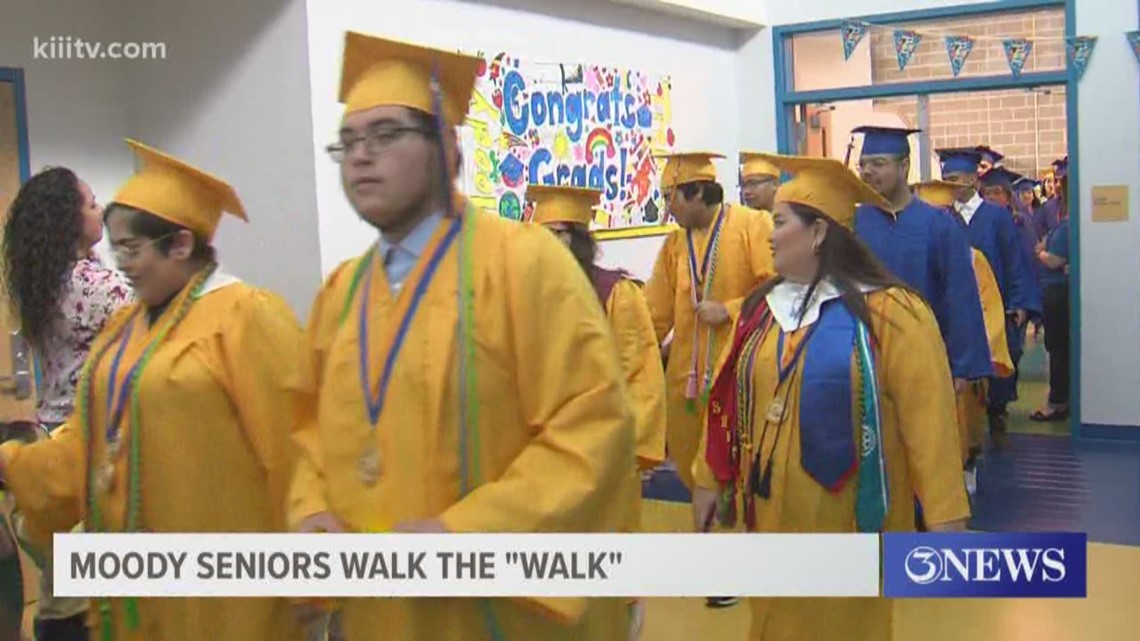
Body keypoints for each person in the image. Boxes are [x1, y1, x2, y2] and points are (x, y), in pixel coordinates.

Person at [288, 32, 637, 641]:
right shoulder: (341, 293)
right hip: (379, 613)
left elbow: (592, 425)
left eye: (387, 134)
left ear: (448, 148)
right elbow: (305, 426)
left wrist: (463, 536)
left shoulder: (523, 263)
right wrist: (310, 508)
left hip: (497, 608)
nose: (361, 156)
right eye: (347, 144)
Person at [0, 139, 306, 641]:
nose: (120, 262)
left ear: (181, 245)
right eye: (115, 247)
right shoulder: (125, 330)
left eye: (131, 249)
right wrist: (19, 464)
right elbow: (90, 436)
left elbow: (294, 446)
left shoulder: (247, 316)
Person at [692, 154, 969, 641]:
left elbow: (931, 423)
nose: (770, 235)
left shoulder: (893, 314)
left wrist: (945, 518)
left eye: (779, 223)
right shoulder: (761, 309)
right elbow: (730, 399)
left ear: (818, 232)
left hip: (849, 525)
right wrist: (710, 476)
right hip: (770, 516)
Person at [527, 182, 665, 640]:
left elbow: (642, 373)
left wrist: (633, 449)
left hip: (607, 460)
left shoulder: (617, 294)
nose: (550, 245)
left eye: (560, 234)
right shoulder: (526, 296)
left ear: (580, 239)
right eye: (543, 234)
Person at [2, 166, 133, 641]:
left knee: (65, 588)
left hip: (46, 442)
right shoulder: (98, 287)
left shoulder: (46, 281)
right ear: (69, 220)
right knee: (84, 606)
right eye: (93, 204)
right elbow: (162, 322)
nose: (101, 210)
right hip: (82, 452)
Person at [643, 151, 774, 495]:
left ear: (697, 192)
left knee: (738, 484)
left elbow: (780, 288)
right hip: (686, 385)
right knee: (694, 483)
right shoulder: (673, 245)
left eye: (669, 197)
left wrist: (730, 311)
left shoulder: (752, 226)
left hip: (738, 379)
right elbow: (652, 314)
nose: (667, 208)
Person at [851, 126, 992, 389]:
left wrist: (962, 366)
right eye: (863, 165)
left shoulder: (938, 225)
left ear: (904, 165)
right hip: (865, 357)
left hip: (926, 356)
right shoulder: (853, 223)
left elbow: (959, 296)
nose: (867, 171)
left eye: (878, 164)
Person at [914, 180, 1014, 492]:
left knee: (963, 419)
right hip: (920, 350)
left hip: (959, 352)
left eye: (943, 213)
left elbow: (988, 307)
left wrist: (974, 355)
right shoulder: (910, 254)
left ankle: (966, 464)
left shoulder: (973, 259)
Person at [939, 149, 1041, 447]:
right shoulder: (941, 217)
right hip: (955, 306)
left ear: (973, 179)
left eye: (955, 178)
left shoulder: (997, 217)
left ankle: (997, 411)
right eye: (945, 179)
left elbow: (1015, 262)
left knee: (997, 357)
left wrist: (1019, 303)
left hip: (993, 305)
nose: (950, 185)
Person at [1033, 214, 1070, 422]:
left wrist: (1041, 253)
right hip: (1057, 291)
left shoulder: (1065, 228)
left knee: (1058, 348)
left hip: (1057, 294)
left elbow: (1055, 260)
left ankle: (1057, 403)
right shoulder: (1062, 225)